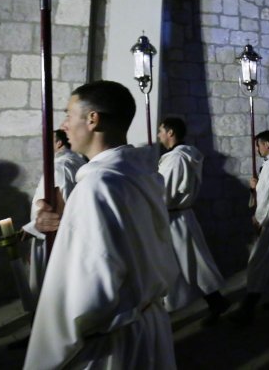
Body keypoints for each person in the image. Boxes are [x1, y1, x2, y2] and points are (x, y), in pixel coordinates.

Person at [24, 80, 178, 369]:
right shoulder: (138, 173)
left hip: (112, 343)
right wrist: (67, 219)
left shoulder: (96, 186)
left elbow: (84, 296)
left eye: (69, 114)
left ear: (92, 118)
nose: (64, 124)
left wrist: (46, 351)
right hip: (147, 323)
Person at [157, 116, 230, 322]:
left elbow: (165, 192)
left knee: (188, 264)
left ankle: (214, 303)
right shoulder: (182, 156)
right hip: (179, 216)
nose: (159, 135)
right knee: (192, 263)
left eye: (161, 130)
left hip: (173, 218)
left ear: (171, 132)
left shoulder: (176, 159)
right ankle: (216, 302)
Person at [22, 129, 86, 299]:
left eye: (47, 141)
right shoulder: (78, 163)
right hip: (62, 238)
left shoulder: (60, 166)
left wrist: (31, 231)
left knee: (49, 295)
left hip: (51, 239)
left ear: (58, 143)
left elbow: (59, 211)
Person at [232, 130, 269, 325]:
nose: (256, 149)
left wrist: (260, 218)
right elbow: (265, 190)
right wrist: (255, 188)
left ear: (266, 145)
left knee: (258, 262)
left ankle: (248, 307)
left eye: (258, 145)